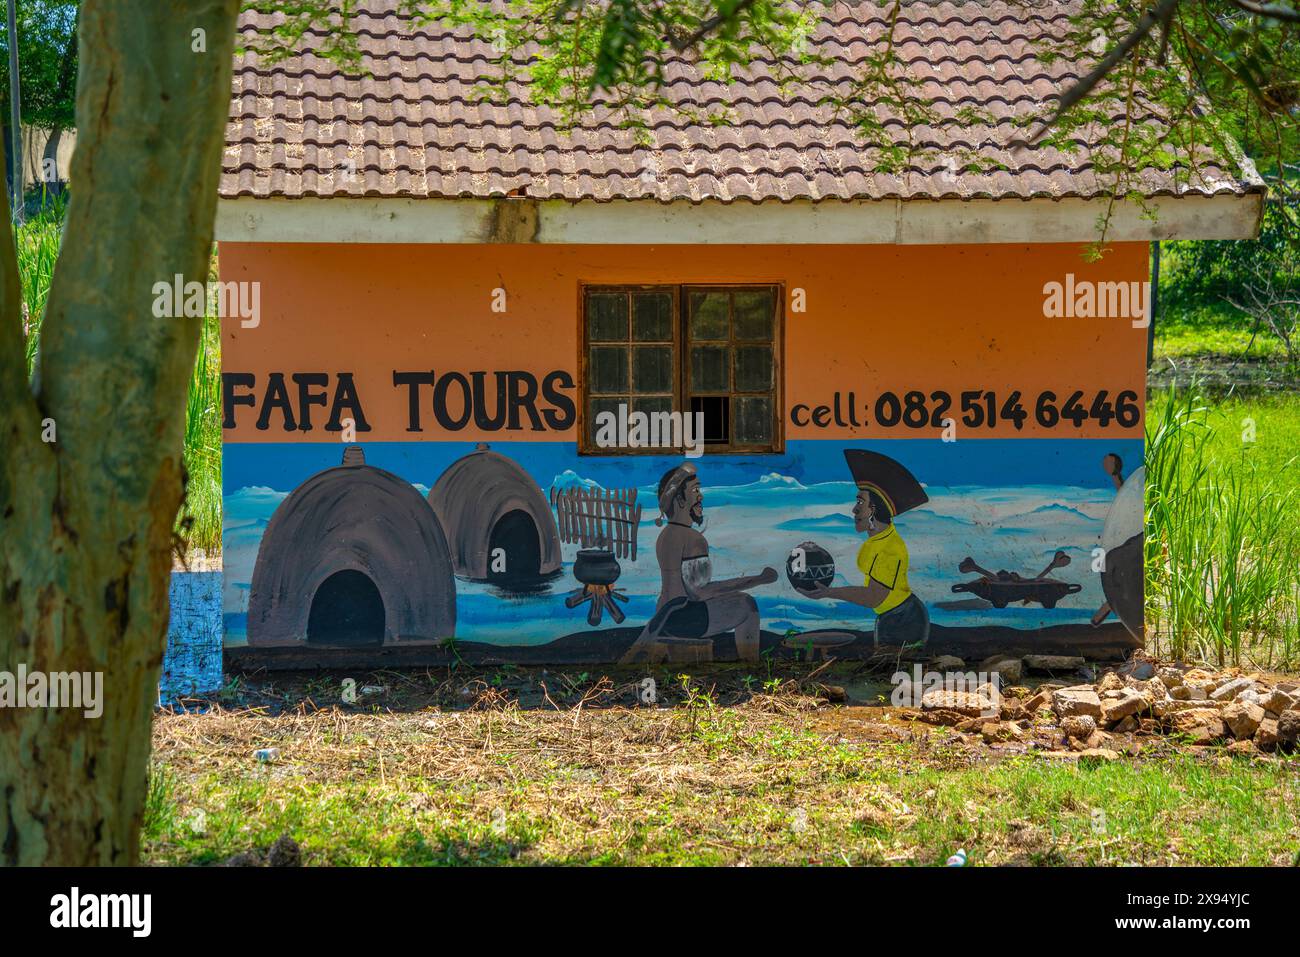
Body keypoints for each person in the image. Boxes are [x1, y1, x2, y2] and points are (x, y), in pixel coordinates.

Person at [620, 463, 777, 663]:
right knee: (746, 604)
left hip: (664, 616)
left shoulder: (665, 535)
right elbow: (700, 592)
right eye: (695, 490)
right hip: (686, 618)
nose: (700, 497)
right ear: (679, 499)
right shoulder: (693, 538)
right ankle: (751, 667)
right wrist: (758, 579)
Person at [804, 484, 930, 646]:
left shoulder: (889, 548)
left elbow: (873, 597)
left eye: (860, 503)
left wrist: (830, 592)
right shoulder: (877, 539)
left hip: (904, 620)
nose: (854, 510)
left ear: (874, 510)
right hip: (891, 616)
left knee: (892, 667)